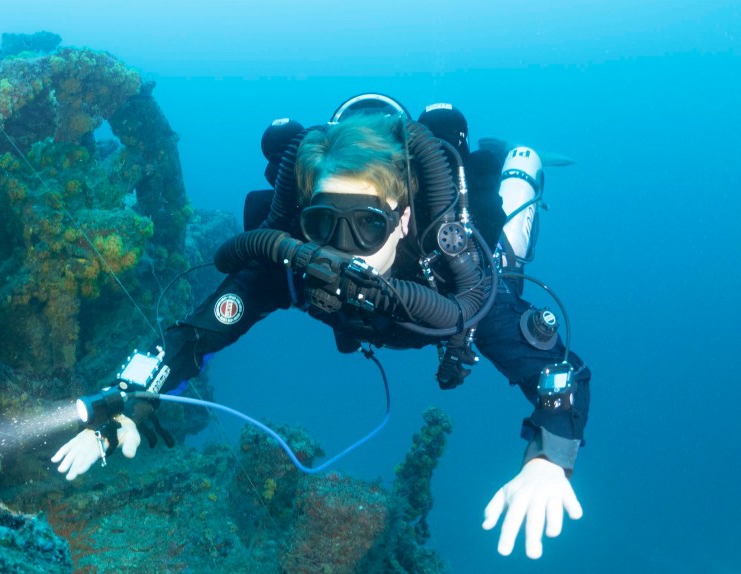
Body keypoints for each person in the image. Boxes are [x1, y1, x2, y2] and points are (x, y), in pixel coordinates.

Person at [53, 98, 591, 560]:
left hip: (457, 266)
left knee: (508, 249)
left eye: (367, 225)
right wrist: (130, 400)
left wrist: (548, 458)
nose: (340, 248)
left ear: (403, 218)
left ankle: (519, 161)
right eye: (322, 223)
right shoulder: (290, 264)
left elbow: (557, 373)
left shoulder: (456, 276)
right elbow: (196, 337)